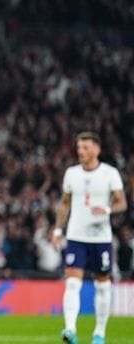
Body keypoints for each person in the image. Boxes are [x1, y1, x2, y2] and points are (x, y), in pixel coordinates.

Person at [52, 132, 127, 344]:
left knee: (102, 286)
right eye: (79, 148)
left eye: (85, 147)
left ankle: (99, 334)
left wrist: (106, 209)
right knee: (72, 283)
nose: (81, 151)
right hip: (76, 236)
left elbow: (122, 203)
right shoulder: (71, 173)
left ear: (97, 150)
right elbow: (65, 203)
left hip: (101, 238)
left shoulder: (109, 173)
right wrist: (58, 230)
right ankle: (70, 329)